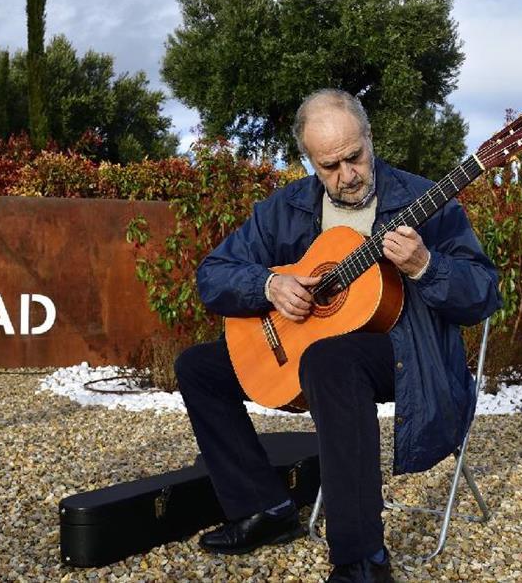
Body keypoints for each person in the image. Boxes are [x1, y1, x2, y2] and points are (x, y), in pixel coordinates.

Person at [174, 88, 500, 583]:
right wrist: (267, 284)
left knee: (329, 361)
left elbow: (482, 294)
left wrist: (426, 266)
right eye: (330, 166)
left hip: (407, 353)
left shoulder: (426, 201)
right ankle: (264, 508)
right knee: (198, 368)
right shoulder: (286, 208)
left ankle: (360, 559)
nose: (347, 176)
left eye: (355, 157)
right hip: (315, 348)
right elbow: (212, 274)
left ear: (370, 138)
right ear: (309, 161)